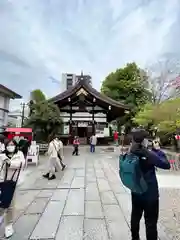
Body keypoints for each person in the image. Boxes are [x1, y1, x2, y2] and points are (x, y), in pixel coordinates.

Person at [130, 129, 170, 240]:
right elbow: (166, 165)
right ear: (144, 141)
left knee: (135, 217)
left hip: (136, 190)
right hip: (150, 194)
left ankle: (135, 238)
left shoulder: (131, 151)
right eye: (147, 139)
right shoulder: (148, 154)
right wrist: (158, 150)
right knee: (151, 222)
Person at [0, 139, 25, 238]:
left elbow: (22, 164)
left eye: (12, 144)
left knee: (10, 205)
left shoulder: (20, 154)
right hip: (1, 181)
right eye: (8, 144)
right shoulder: (1, 155)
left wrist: (10, 163)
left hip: (12, 183)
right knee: (2, 204)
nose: (10, 146)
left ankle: (8, 225)